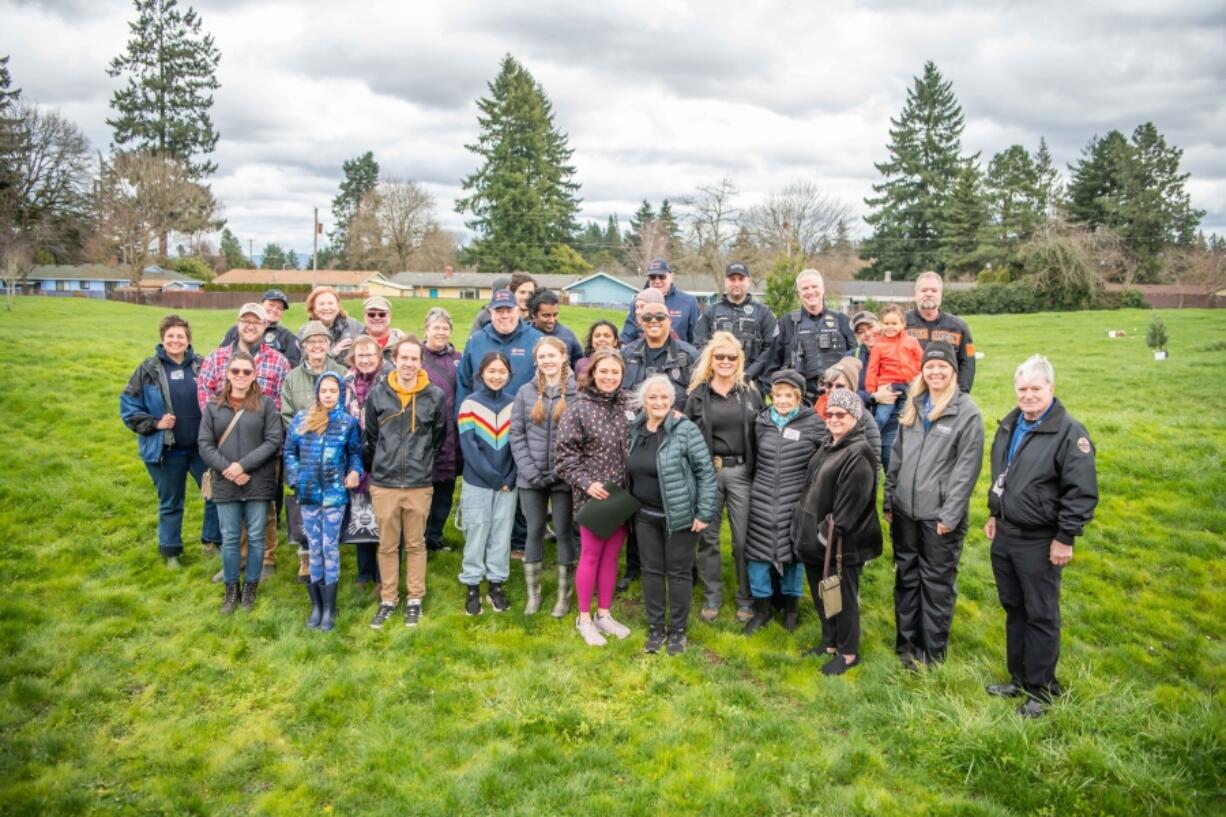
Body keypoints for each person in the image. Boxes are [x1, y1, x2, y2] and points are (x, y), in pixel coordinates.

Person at [985, 354, 1098, 717]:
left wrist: (1065, 537)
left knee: (1041, 614)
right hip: (1005, 534)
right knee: (1014, 608)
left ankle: (1043, 690)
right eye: (1022, 389)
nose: (1028, 395)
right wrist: (994, 512)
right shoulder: (1010, 424)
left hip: (1040, 539)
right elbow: (1003, 475)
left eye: (1036, 388)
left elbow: (1081, 492)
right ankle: (1018, 679)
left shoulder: (1069, 433)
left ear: (1051, 388)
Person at [883, 342, 984, 668]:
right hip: (904, 512)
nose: (936, 372)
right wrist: (889, 498)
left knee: (936, 584)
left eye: (943, 367)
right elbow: (895, 457)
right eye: (930, 367)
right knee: (906, 578)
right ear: (923, 371)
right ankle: (906, 645)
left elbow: (965, 471)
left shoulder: (966, 413)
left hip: (938, 517)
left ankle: (931, 654)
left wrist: (950, 516)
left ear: (954, 372)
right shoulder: (914, 405)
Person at [197, 303, 291, 580]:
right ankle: (236, 557)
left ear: (265, 326)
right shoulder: (216, 359)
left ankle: (267, 559)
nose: (251, 326)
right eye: (246, 321)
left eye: (257, 322)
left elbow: (282, 405)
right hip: (225, 449)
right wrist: (221, 451)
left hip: (264, 448)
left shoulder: (279, 361)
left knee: (266, 507)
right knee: (231, 507)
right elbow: (205, 399)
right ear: (237, 323)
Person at [793, 389, 883, 676]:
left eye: (840, 414)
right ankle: (829, 643)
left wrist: (822, 537)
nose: (833, 418)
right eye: (829, 413)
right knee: (824, 597)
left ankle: (847, 653)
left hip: (840, 546)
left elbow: (847, 512)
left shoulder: (859, 453)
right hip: (816, 544)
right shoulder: (829, 444)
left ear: (855, 417)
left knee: (842, 600)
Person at [121, 314, 220, 567]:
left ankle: (211, 540)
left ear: (188, 340)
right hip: (166, 450)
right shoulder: (148, 370)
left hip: (202, 448)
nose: (175, 340)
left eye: (181, 336)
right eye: (170, 336)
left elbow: (220, 396)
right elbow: (129, 408)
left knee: (215, 494)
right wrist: (155, 423)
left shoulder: (202, 364)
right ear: (162, 339)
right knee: (171, 503)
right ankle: (171, 552)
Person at [629, 375, 717, 655]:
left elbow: (705, 472)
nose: (658, 402)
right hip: (644, 515)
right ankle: (656, 628)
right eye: (653, 397)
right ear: (644, 400)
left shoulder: (685, 429)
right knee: (651, 571)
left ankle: (678, 631)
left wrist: (704, 512)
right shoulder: (635, 429)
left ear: (672, 400)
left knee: (678, 572)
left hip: (680, 516)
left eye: (664, 397)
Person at [364, 337, 447, 629]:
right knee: (387, 545)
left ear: (420, 361)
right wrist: (383, 464)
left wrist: (420, 462)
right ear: (394, 360)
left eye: (414, 358)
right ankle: (388, 598)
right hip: (385, 483)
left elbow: (438, 437)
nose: (409, 364)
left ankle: (414, 597)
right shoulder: (378, 394)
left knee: (415, 544)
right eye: (404, 358)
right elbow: (372, 438)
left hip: (418, 483)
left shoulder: (434, 396)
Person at [555, 348, 634, 647]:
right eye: (604, 371)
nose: (609, 377)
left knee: (612, 555)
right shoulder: (578, 408)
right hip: (594, 494)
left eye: (615, 372)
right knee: (591, 554)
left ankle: (605, 613)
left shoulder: (628, 403)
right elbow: (564, 458)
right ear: (593, 373)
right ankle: (584, 618)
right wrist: (587, 484)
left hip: (623, 494)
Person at [683, 331, 763, 623]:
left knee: (743, 540)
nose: (726, 361)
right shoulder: (697, 395)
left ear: (739, 360)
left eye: (732, 357)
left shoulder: (750, 392)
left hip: (742, 472)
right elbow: (686, 436)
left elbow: (762, 430)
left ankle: (746, 596)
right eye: (720, 357)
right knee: (709, 538)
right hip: (709, 473)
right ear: (711, 360)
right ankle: (712, 596)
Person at [198, 350, 282, 614]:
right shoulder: (214, 407)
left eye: (247, 371)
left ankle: (250, 589)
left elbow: (272, 440)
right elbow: (204, 444)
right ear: (227, 373)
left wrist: (243, 465)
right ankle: (231, 589)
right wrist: (229, 469)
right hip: (226, 481)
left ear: (255, 375)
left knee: (257, 536)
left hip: (258, 480)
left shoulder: (266, 405)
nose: (241, 376)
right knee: (231, 537)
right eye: (236, 371)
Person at [743, 370, 824, 635]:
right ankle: (762, 610)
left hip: (796, 499)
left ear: (799, 397)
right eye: (778, 395)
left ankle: (791, 609)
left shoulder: (813, 423)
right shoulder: (762, 421)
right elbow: (753, 456)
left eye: (789, 395)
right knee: (757, 555)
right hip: (762, 496)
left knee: (793, 556)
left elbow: (822, 461)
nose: (783, 400)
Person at [284, 371, 363, 632]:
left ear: (340, 393)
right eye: (324, 390)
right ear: (317, 392)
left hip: (334, 496)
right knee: (313, 548)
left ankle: (330, 606)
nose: (328, 395)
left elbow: (354, 454)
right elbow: (290, 451)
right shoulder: (301, 420)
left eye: (333, 391)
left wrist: (354, 472)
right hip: (307, 495)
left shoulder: (347, 423)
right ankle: (316, 605)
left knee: (330, 548)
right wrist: (296, 478)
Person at [510, 337, 578, 616]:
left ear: (563, 357)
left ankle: (564, 596)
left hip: (564, 478)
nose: (548, 361)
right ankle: (533, 595)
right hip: (531, 478)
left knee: (563, 531)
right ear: (536, 360)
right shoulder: (525, 393)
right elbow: (517, 434)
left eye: (553, 355)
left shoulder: (576, 392)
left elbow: (580, 436)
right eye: (542, 356)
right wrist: (530, 471)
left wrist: (560, 471)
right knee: (534, 530)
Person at [280, 320, 348, 583]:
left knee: (332, 513)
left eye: (322, 341)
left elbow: (348, 411)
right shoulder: (292, 378)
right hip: (305, 456)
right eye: (311, 342)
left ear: (330, 345)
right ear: (303, 347)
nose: (317, 346)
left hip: (335, 458)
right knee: (305, 508)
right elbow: (286, 414)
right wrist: (305, 440)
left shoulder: (342, 372)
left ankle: (331, 558)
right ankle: (306, 556)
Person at [456, 352, 518, 615]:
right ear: (481, 373)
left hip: (508, 483)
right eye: (491, 371)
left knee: (501, 534)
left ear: (509, 375)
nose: (496, 376)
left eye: (501, 371)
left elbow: (519, 445)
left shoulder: (515, 405)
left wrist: (511, 477)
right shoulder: (469, 405)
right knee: (476, 531)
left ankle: (496, 584)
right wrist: (495, 478)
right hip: (478, 482)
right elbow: (469, 448)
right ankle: (472, 585)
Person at [343, 335, 390, 592]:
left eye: (370, 355)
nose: (365, 360)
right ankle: (364, 573)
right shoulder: (345, 382)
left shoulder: (388, 381)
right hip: (355, 454)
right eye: (360, 355)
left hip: (383, 454)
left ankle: (384, 575)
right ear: (353, 358)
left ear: (379, 357)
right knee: (361, 514)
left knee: (384, 519)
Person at [767, 269, 856, 401]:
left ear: (823, 289)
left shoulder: (842, 321)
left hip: (837, 397)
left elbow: (855, 361)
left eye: (814, 286)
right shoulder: (786, 323)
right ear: (799, 293)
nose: (810, 292)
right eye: (805, 288)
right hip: (800, 400)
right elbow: (772, 365)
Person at [693, 262, 778, 389]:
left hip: (751, 383)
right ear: (725, 282)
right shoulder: (710, 312)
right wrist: (719, 373)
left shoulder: (764, 312)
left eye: (741, 279)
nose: (736, 283)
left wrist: (747, 375)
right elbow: (699, 346)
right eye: (732, 279)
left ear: (748, 281)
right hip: (715, 382)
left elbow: (770, 350)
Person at [420, 308, 462, 553]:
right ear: (426, 330)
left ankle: (434, 536)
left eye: (445, 328)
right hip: (424, 434)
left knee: (445, 489)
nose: (441, 332)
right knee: (423, 489)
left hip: (452, 434)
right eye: (436, 327)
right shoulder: (417, 357)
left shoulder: (459, 358)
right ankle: (418, 537)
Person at [456, 289, 544, 407]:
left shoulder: (537, 340)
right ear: (491, 313)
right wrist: (461, 416)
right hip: (482, 417)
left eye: (509, 310)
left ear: (517, 311)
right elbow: (463, 382)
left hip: (524, 417)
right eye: (499, 311)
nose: (505, 315)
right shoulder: (476, 341)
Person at [865, 304, 923, 471]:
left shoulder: (911, 342)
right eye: (886, 323)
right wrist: (872, 391)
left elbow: (921, 362)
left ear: (903, 324)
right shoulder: (879, 345)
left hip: (909, 387)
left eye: (894, 323)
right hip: (888, 388)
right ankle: (870, 440)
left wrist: (920, 382)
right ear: (881, 324)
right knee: (882, 417)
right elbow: (872, 369)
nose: (890, 327)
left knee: (908, 418)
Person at [905, 271, 976, 393]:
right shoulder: (900, 324)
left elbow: (968, 361)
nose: (928, 294)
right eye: (924, 290)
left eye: (934, 290)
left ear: (941, 295)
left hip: (946, 394)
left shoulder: (959, 327)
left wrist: (961, 393)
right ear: (915, 294)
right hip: (909, 393)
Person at [621, 298, 698, 410]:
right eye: (647, 317)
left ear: (669, 321)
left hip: (675, 424)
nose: (653, 321)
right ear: (641, 323)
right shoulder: (626, 355)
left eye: (660, 316)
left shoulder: (690, 355)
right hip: (635, 424)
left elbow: (699, 399)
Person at [815, 358, 882, 471]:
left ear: (851, 388)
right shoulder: (815, 411)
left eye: (840, 386)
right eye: (829, 385)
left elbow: (873, 459)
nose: (833, 390)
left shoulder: (863, 417)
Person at [619, 258, 701, 345]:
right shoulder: (638, 302)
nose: (657, 281)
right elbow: (627, 337)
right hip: (644, 354)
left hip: (678, 355)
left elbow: (697, 339)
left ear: (671, 277)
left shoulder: (689, 302)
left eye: (662, 276)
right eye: (653, 277)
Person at [219, 289, 301, 367]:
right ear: (261, 304)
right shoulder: (235, 330)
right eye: (271, 305)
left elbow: (293, 366)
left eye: (280, 308)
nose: (274, 310)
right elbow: (221, 356)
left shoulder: (287, 337)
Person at [301, 286, 364, 363]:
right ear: (313, 309)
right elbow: (304, 363)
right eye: (321, 304)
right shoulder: (304, 332)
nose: (327, 308)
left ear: (338, 307)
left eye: (330, 303)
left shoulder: (355, 326)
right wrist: (333, 352)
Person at [528, 289, 583, 366]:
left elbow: (579, 362)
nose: (552, 320)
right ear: (533, 315)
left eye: (555, 315)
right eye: (546, 316)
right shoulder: (523, 336)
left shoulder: (567, 335)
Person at [849, 310, 882, 413]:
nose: (867, 334)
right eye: (861, 332)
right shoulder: (851, 358)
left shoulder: (899, 350)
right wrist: (872, 397)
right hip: (863, 417)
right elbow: (845, 391)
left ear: (880, 325)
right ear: (857, 337)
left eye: (870, 327)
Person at [359, 295, 406, 361]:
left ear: (390, 316)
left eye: (382, 314)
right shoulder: (355, 344)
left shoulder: (403, 343)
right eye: (371, 314)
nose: (377, 318)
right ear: (364, 316)